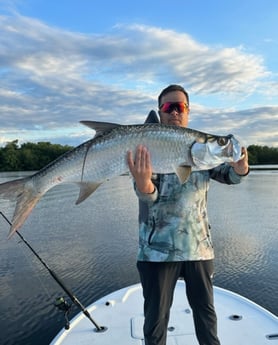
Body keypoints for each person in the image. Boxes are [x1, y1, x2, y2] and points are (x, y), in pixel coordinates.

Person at [127, 84, 249, 345]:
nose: (174, 112)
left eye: (180, 107)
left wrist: (239, 170)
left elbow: (228, 176)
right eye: (168, 107)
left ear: (188, 112)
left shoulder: (202, 150)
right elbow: (147, 196)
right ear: (160, 112)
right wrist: (143, 182)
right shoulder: (147, 146)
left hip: (199, 248)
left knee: (207, 320)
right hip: (156, 251)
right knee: (155, 323)